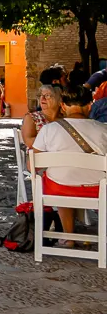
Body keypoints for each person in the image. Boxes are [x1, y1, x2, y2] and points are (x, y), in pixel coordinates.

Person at [31, 86, 107, 240]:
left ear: (63, 106)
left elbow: (32, 165)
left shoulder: (48, 130)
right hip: (97, 191)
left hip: (58, 190)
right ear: (90, 106)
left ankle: (69, 237)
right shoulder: (103, 130)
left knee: (59, 178)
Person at [22, 82, 65, 150]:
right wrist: (58, 142)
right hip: (40, 158)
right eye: (41, 95)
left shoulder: (66, 118)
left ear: (59, 100)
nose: (42, 98)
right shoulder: (32, 117)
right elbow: (28, 141)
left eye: (47, 95)